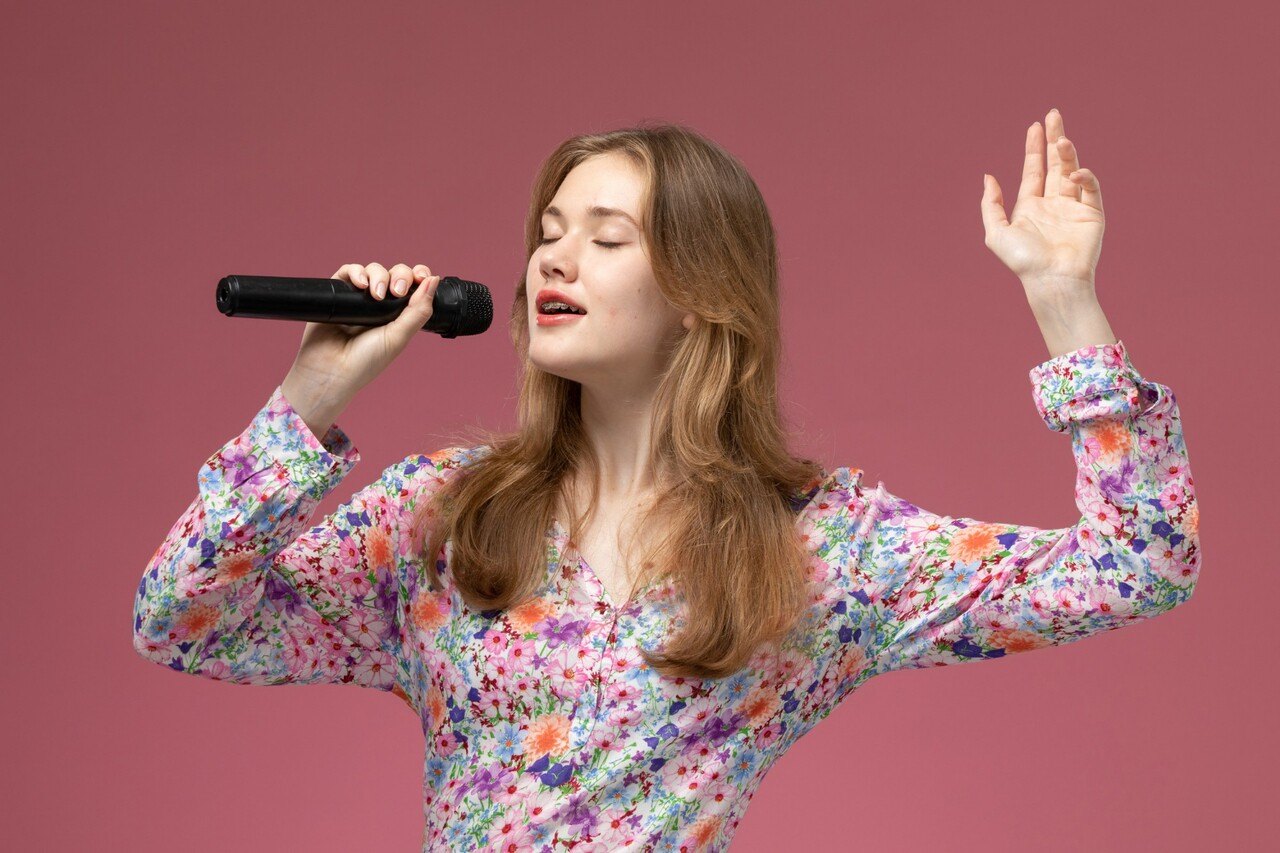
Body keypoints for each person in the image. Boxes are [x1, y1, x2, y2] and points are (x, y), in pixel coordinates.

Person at [132, 109, 1200, 851]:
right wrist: (309, 397)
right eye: (547, 235)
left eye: (605, 238)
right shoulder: (446, 512)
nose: (554, 261)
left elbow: (1136, 564)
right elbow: (179, 620)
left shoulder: (821, 546)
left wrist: (1065, 303)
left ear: (698, 292)